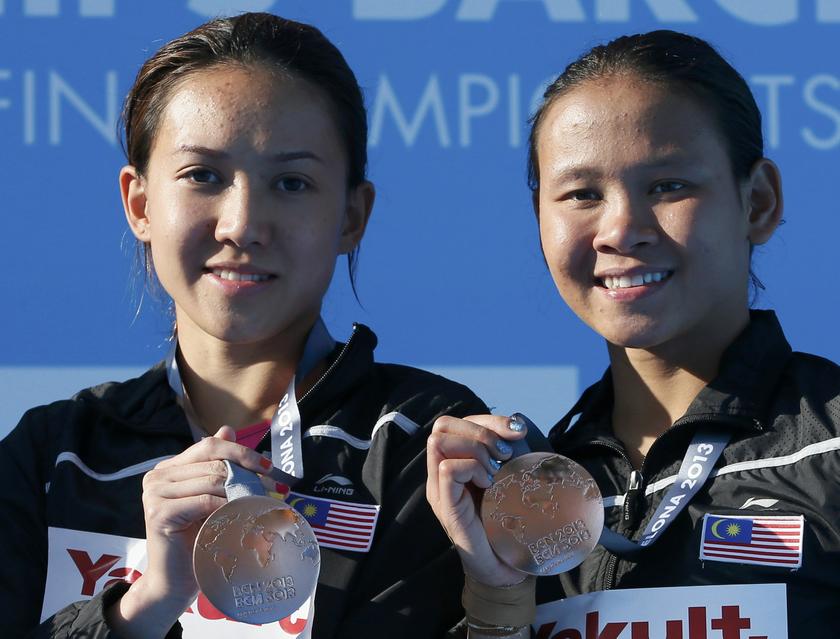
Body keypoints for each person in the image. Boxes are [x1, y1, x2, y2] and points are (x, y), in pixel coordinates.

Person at [1, 12, 487, 639]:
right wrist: (142, 607)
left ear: (351, 217)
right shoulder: (54, 457)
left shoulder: (417, 444)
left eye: (291, 182)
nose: (241, 224)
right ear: (140, 204)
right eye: (203, 175)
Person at [427, 30, 840, 638]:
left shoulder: (826, 446)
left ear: (757, 202)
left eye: (668, 185)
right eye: (582, 194)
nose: (620, 229)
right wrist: (498, 598)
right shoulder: (524, 496)